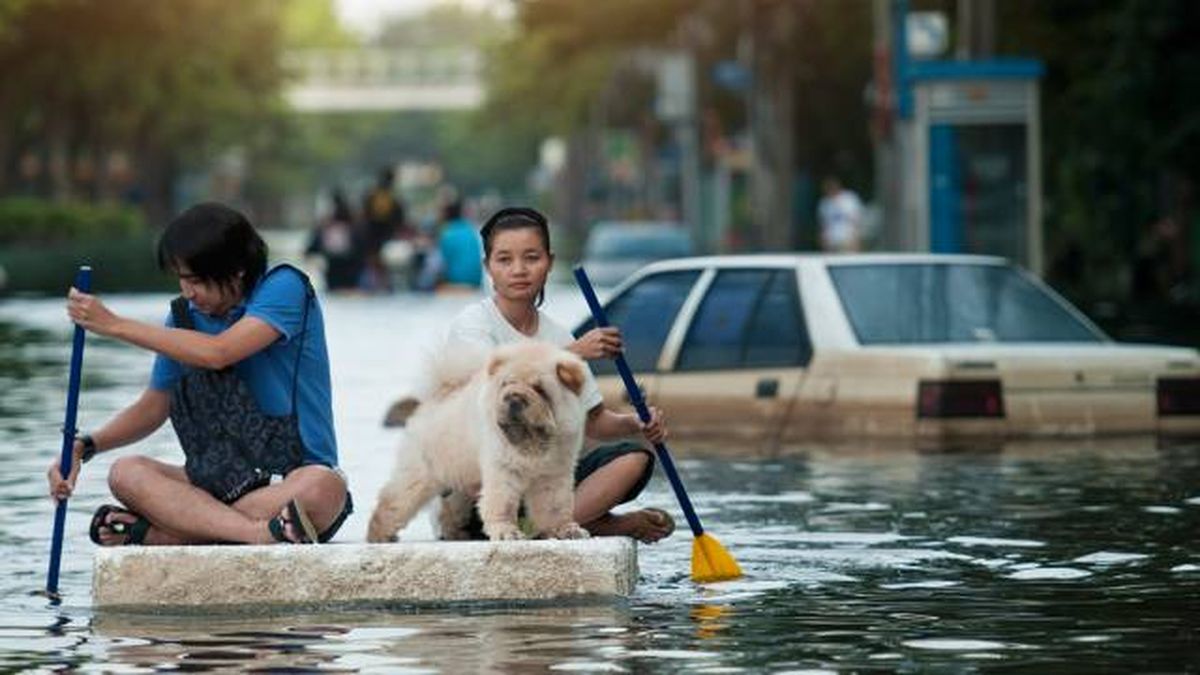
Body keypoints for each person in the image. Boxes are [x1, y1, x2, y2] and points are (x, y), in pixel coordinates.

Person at [47, 202, 351, 546]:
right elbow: (154, 406)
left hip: (291, 481)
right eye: (181, 278)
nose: (188, 292)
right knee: (125, 473)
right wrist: (84, 446)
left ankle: (172, 531)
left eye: (196, 280)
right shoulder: (182, 319)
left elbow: (219, 352)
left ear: (236, 270)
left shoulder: (284, 287)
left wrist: (114, 325)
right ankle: (256, 533)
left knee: (324, 488)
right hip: (219, 487)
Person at [444, 206, 676, 543]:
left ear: (549, 263)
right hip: (482, 481)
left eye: (531, 258)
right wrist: (572, 355)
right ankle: (598, 524)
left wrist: (635, 423)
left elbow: (594, 422)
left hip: (539, 481)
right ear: (488, 267)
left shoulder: (559, 335)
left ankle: (548, 525)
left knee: (633, 459)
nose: (519, 270)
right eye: (505, 260)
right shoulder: (473, 324)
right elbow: (493, 389)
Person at [305, 189, 364, 292]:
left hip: (338, 265)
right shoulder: (353, 225)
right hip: (347, 265)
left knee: (337, 289)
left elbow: (314, 245)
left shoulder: (328, 225)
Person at [361, 167, 407, 291]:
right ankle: (384, 284)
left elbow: (365, 214)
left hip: (372, 232)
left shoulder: (372, 194)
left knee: (374, 259)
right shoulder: (393, 197)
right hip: (387, 233)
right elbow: (400, 217)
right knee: (385, 261)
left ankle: (375, 283)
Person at [436, 199, 483, 288]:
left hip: (457, 281)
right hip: (476, 281)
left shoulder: (447, 233)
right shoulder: (470, 229)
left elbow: (440, 262)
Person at [817, 176, 864, 253]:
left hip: (847, 241)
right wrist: (824, 242)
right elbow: (823, 226)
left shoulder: (849, 199)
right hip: (832, 242)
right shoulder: (824, 203)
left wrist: (856, 240)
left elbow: (857, 221)